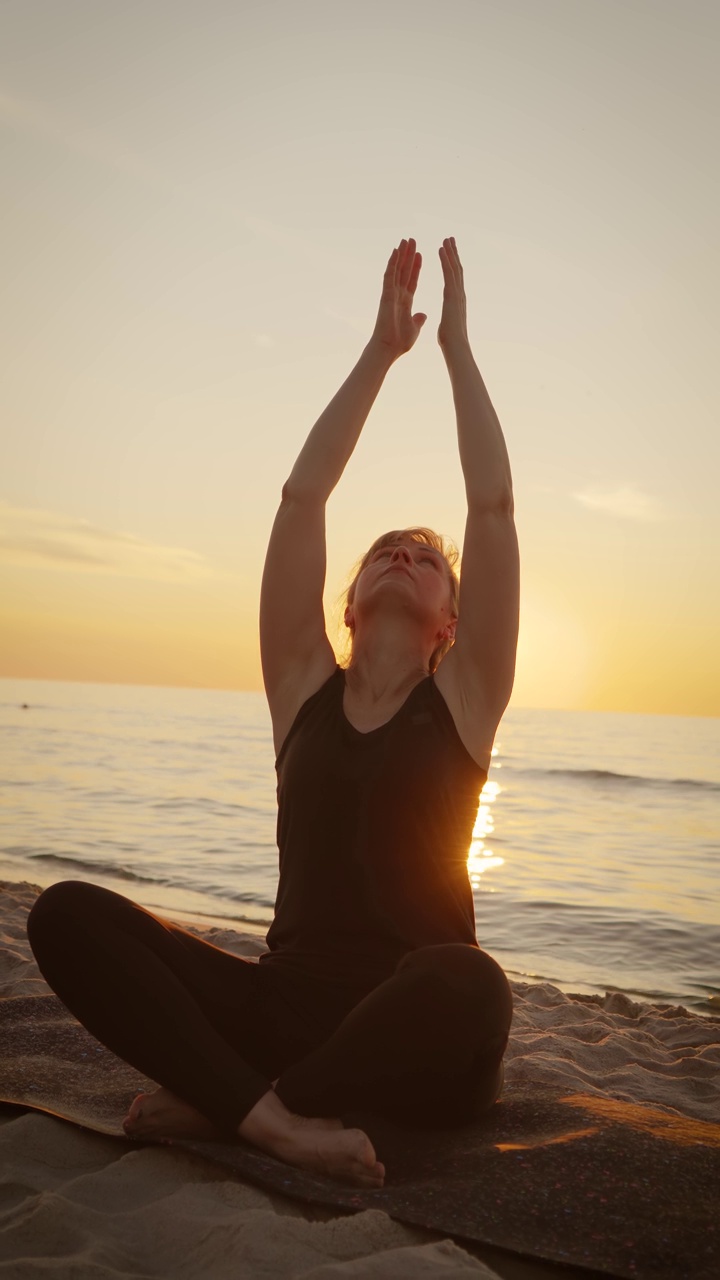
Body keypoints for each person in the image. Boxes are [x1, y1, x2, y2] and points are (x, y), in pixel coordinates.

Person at [27, 237, 519, 1189]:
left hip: (415, 1031)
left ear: (450, 622)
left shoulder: (463, 702)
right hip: (280, 1004)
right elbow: (303, 496)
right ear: (346, 604)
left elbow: (493, 508)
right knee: (65, 916)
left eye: (426, 559)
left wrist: (456, 350)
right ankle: (279, 1118)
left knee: (472, 981)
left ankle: (246, 1102)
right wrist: (379, 356)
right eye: (385, 551)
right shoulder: (302, 689)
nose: (401, 557)